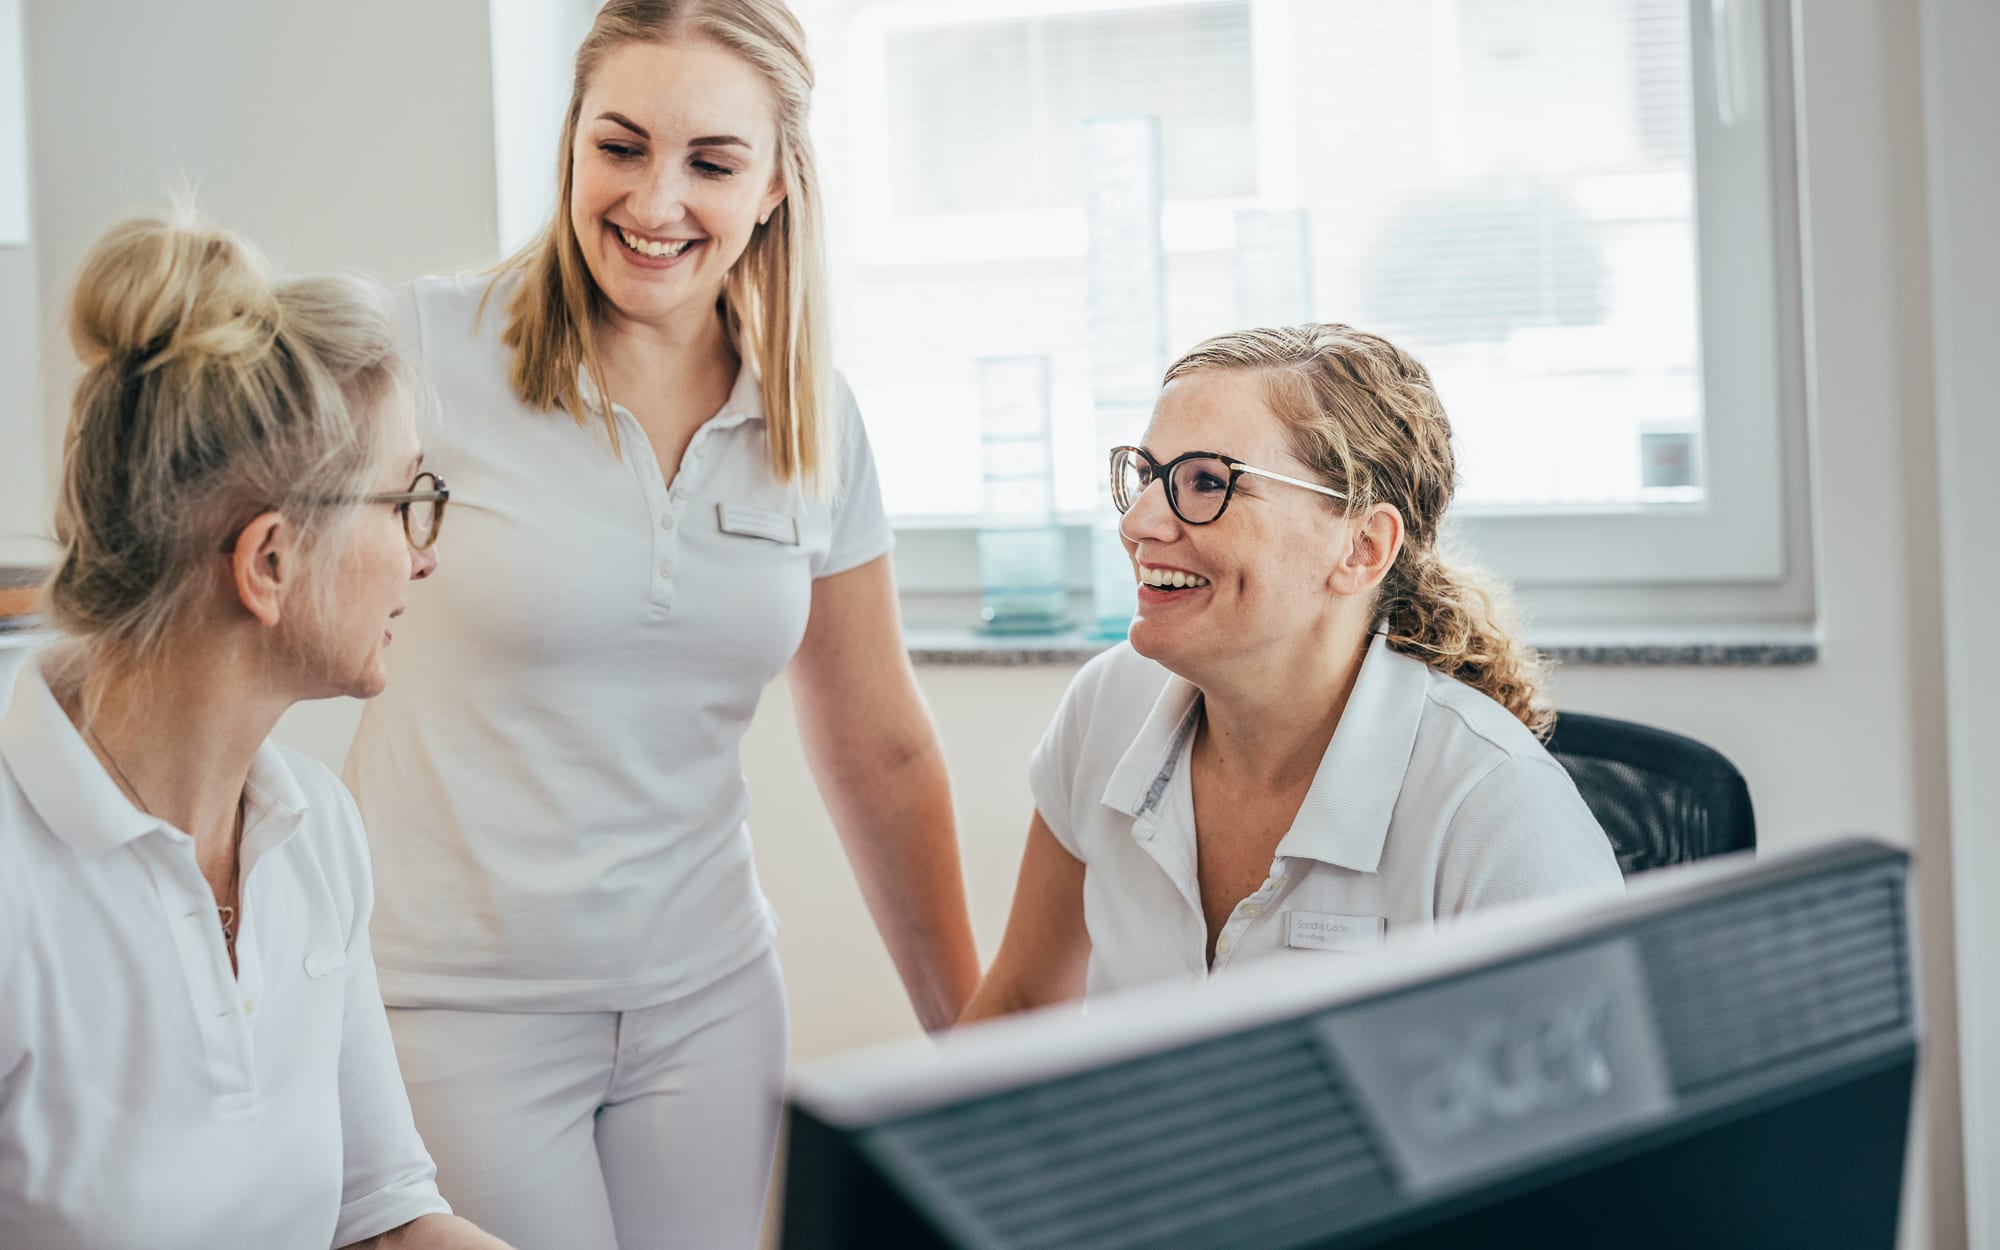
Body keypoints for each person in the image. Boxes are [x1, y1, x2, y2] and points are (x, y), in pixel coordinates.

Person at [340, 2, 981, 1246]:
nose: (655, 200)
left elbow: (877, 742)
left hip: (707, 1002)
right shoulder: (422, 350)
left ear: (780, 181)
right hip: (451, 1004)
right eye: (619, 146)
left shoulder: (812, 416)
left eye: (711, 161)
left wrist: (977, 1046)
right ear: (572, 140)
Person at [0, 214, 511, 1250]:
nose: (425, 555)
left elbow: (383, 1212)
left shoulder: (313, 829)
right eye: (406, 498)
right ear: (269, 563)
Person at [960, 325, 1624, 1021]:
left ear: (1363, 548)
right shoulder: (1108, 705)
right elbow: (1022, 1001)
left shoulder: (1499, 813)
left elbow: (1597, 1117)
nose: (1140, 523)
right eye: (1148, 476)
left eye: (1207, 482)